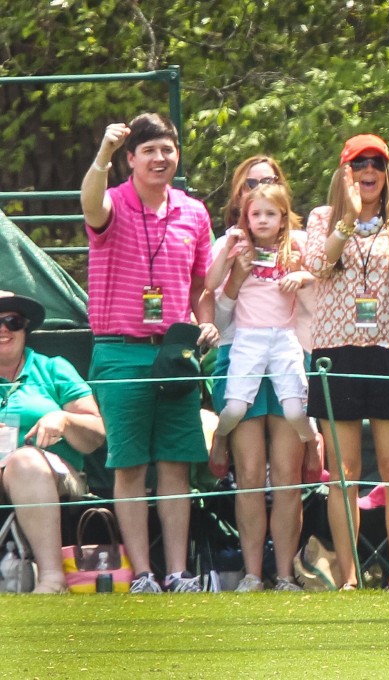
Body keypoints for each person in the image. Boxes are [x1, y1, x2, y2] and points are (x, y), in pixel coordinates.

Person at [80, 113, 218, 594]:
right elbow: (89, 203)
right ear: (131, 158)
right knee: (131, 466)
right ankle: (142, 573)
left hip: (176, 354)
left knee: (177, 465)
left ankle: (178, 573)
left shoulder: (194, 212)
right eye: (149, 151)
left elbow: (201, 285)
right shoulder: (113, 201)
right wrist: (103, 152)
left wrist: (205, 320)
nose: (160, 158)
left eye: (167, 149)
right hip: (121, 351)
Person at [305, 133, 389, 592]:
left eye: (377, 163)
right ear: (344, 172)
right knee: (344, 473)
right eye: (359, 163)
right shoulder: (322, 217)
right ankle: (349, 577)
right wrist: (349, 220)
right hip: (336, 350)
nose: (368, 170)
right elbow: (319, 266)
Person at [207, 179, 318, 592]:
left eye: (271, 207)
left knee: (288, 474)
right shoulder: (233, 243)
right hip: (243, 349)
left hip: (288, 348)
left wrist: (302, 275)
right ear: (243, 207)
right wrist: (235, 271)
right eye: (252, 191)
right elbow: (215, 308)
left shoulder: (297, 245)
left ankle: (285, 574)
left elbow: (320, 292)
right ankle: (252, 574)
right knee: (250, 473)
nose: (263, 217)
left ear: (283, 213)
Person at [0, 292, 106, 594]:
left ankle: (52, 579)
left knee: (25, 460)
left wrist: (64, 419)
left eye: (12, 321)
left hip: (53, 473)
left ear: (26, 328)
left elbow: (97, 434)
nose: (3, 328)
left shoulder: (54, 368)